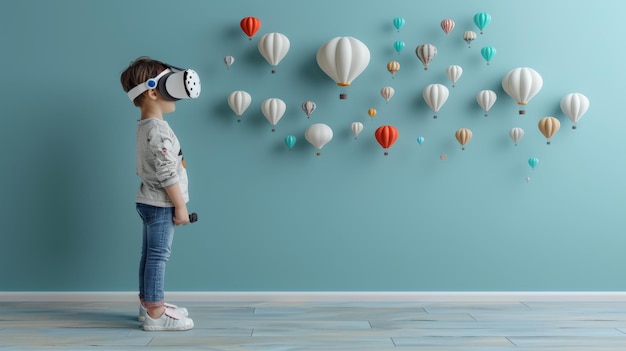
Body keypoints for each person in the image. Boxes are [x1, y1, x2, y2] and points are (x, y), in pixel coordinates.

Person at [120, 57, 195, 331]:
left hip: (148, 200)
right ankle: (155, 313)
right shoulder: (159, 130)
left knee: (149, 254)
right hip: (162, 203)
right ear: (153, 91)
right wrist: (180, 207)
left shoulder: (146, 126)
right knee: (158, 256)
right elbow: (166, 172)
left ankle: (148, 303)